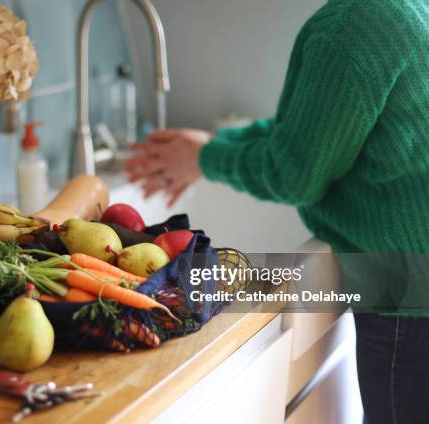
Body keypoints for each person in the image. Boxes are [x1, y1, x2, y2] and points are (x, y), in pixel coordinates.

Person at [125, 1, 429, 423]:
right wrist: (210, 149)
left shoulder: (355, 24)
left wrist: (208, 158)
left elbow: (295, 174)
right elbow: (312, 128)